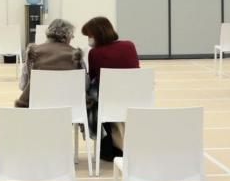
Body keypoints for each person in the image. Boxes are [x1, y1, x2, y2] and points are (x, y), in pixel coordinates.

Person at [82, 16, 139, 158]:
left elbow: (94, 78)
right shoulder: (129, 45)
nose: (89, 39)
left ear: (97, 34)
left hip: (108, 101)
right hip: (135, 97)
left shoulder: (95, 53)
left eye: (89, 35)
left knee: (90, 99)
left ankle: (106, 143)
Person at [15, 18, 85, 108]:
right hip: (70, 106)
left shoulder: (33, 52)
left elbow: (23, 85)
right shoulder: (76, 54)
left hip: (38, 104)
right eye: (72, 36)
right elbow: (84, 85)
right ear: (67, 36)